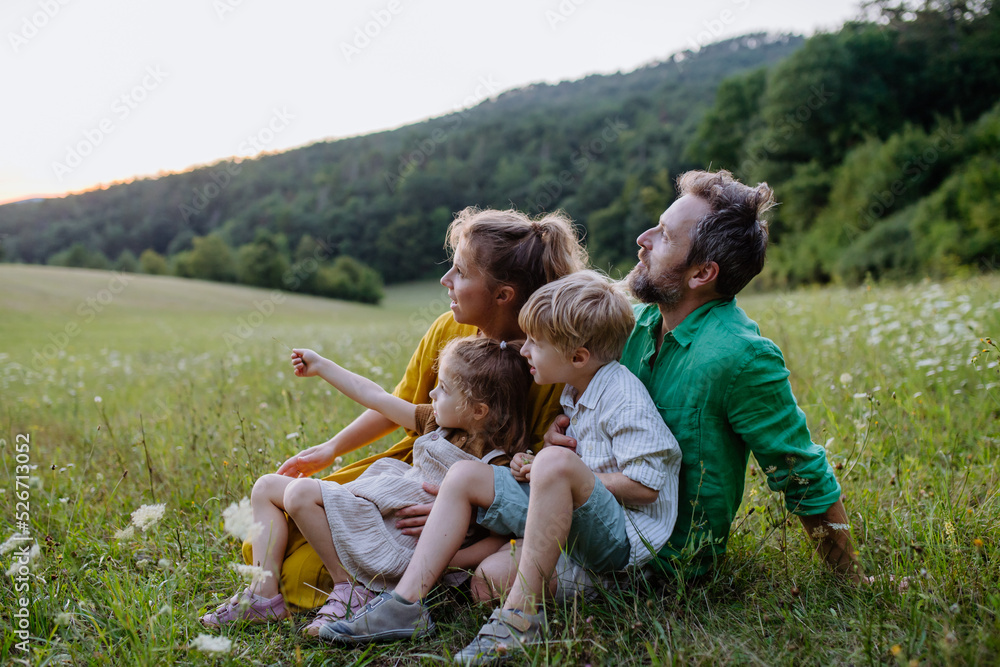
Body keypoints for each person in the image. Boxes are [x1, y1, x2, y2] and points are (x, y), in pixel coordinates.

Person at [319, 270, 683, 663]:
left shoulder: (623, 395)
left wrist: (558, 472)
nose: (524, 351)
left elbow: (646, 486)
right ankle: (404, 605)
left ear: (577, 356)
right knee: (473, 519)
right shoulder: (577, 388)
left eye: (536, 344)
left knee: (553, 467)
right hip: (579, 519)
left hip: (619, 543)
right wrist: (544, 464)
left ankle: (519, 620)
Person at [239, 207, 589, 611]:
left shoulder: (550, 360)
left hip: (478, 501)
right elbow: (397, 405)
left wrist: (463, 515)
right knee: (274, 534)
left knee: (303, 573)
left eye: (459, 272)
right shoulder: (447, 329)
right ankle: (278, 594)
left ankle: (378, 588)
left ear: (502, 294)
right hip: (409, 471)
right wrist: (331, 449)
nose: (445, 280)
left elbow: (532, 474)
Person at [201, 336, 533, 634]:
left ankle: (349, 589)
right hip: (378, 509)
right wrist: (323, 366)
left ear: (478, 410)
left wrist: (448, 560)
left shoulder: (497, 467)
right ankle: (263, 595)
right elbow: (374, 396)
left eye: (443, 388)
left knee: (299, 493)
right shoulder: (435, 421)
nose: (432, 393)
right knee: (265, 487)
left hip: (398, 539)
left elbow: (502, 538)